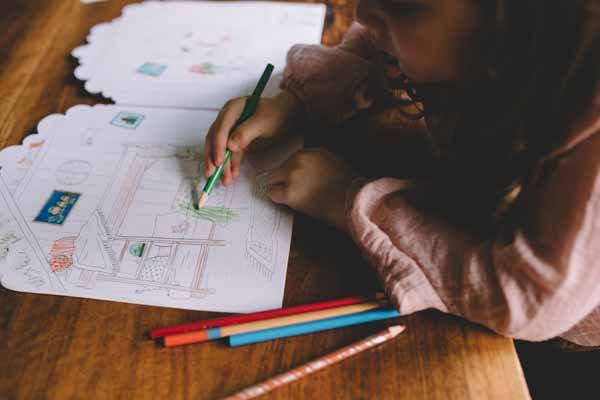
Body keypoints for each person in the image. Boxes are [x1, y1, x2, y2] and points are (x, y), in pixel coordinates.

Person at [204, 0, 600, 348]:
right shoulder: (444, 30)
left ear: (520, 29)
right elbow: (374, 41)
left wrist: (345, 200)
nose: (362, 14)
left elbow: (527, 297)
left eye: (404, 6)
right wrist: (294, 102)